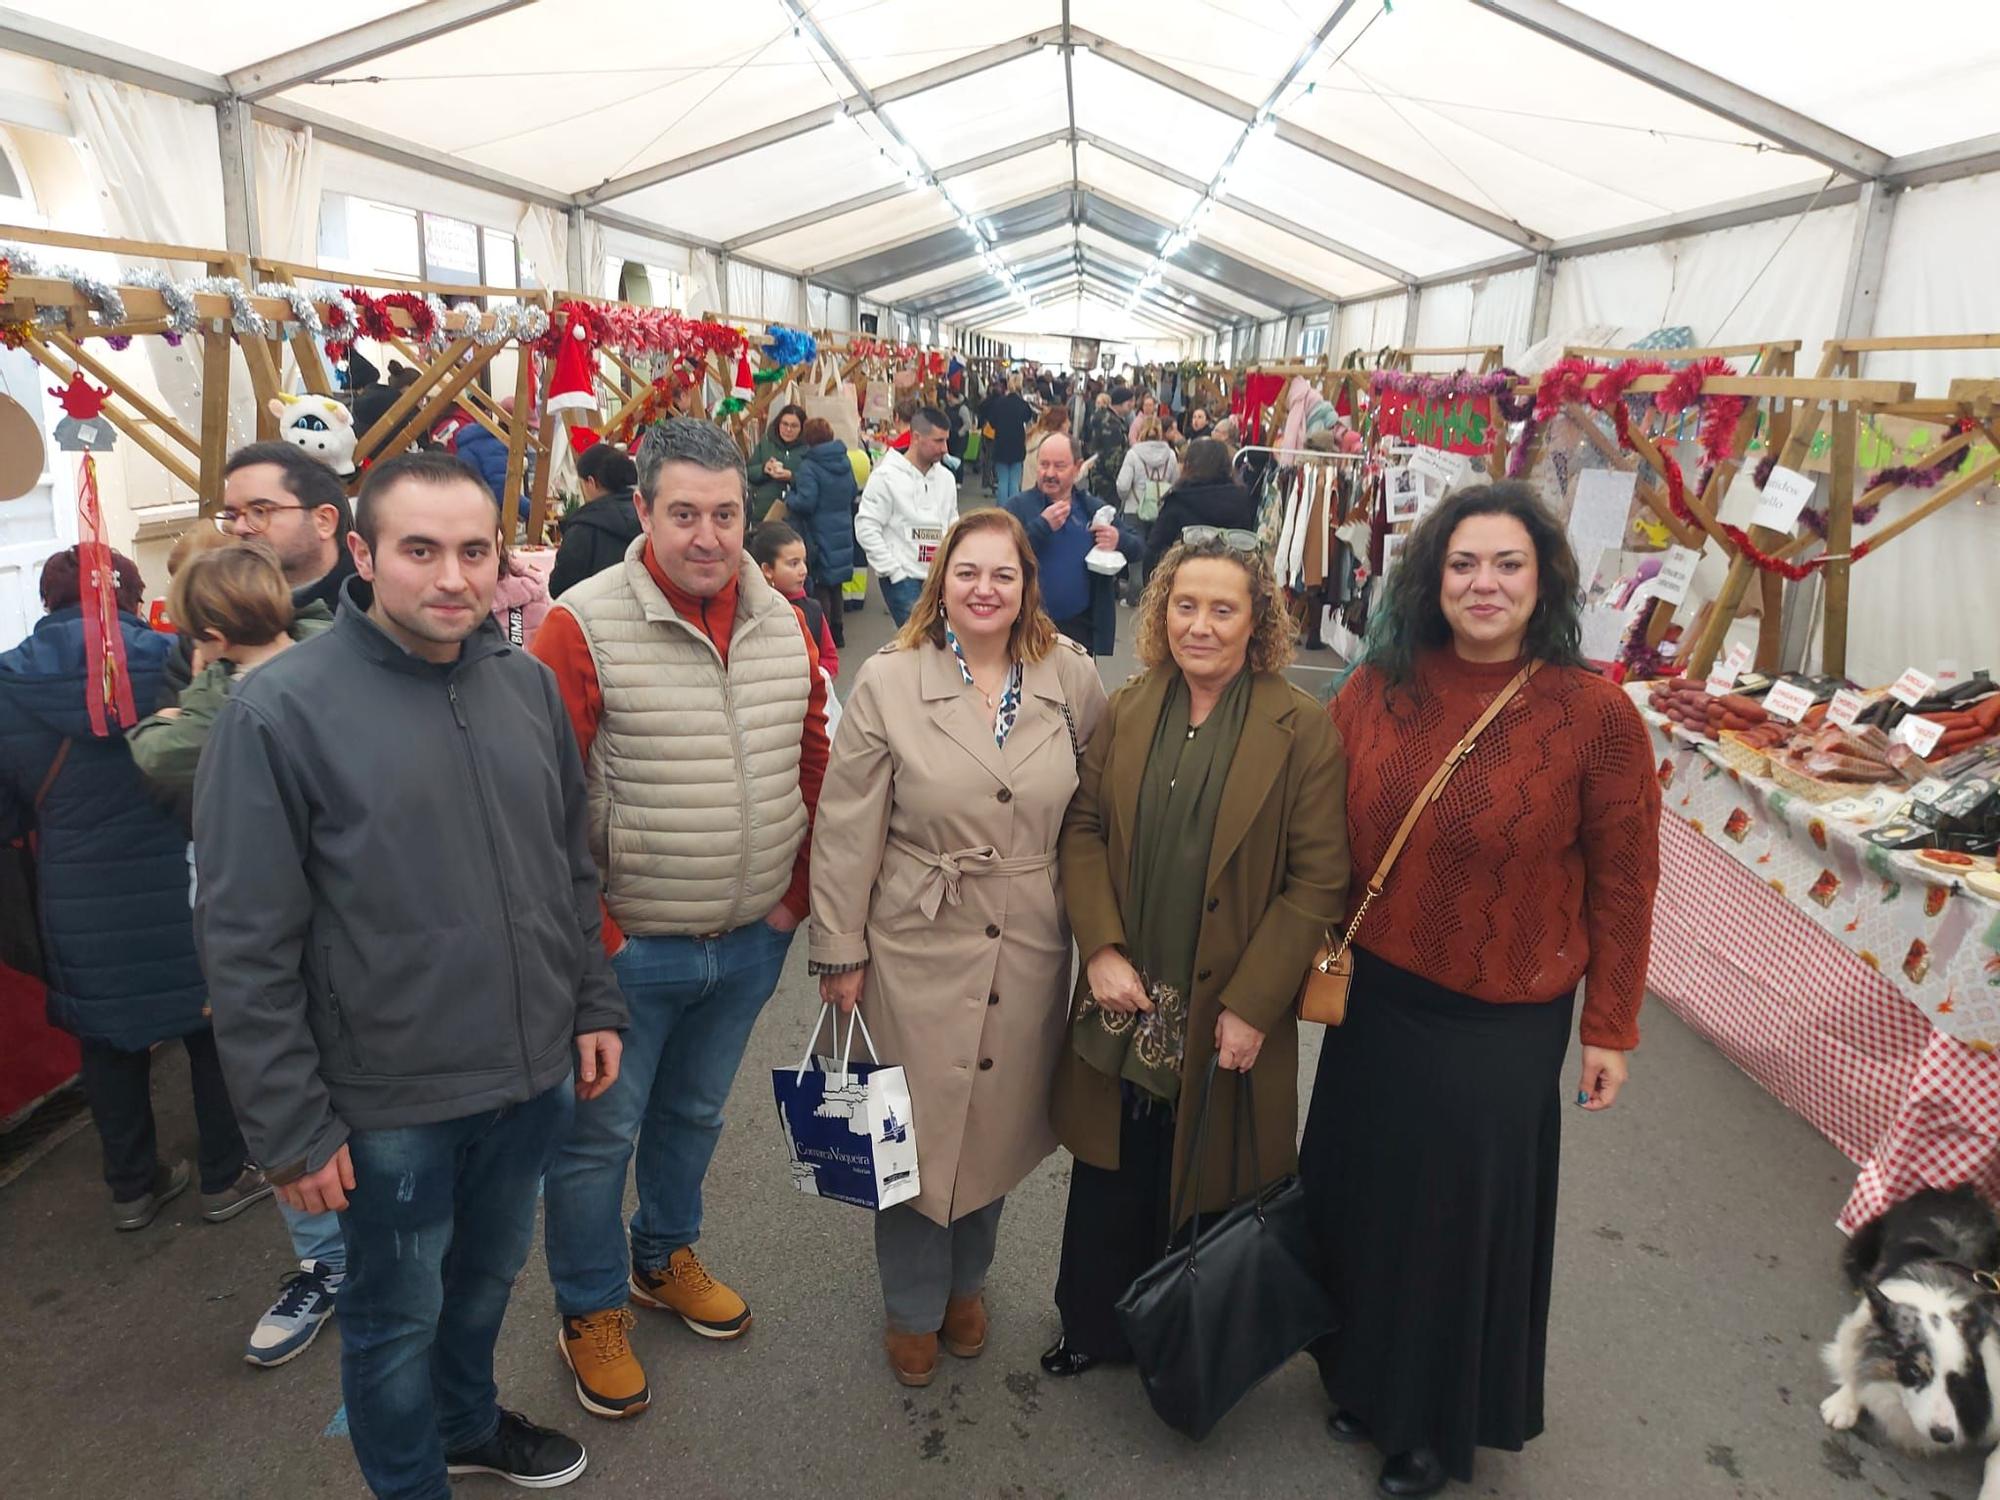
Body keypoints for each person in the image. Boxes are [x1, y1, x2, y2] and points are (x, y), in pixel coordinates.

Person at [196, 451, 624, 1497]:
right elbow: (244, 941)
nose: (452, 578)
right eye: (419, 550)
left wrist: (592, 998)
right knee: (395, 1318)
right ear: (361, 553)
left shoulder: (520, 686)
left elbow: (566, 864)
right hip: (387, 1101)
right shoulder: (278, 713)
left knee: (481, 1285)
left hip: (524, 1076)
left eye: (474, 551)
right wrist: (291, 1124)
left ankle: (466, 1423)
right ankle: (407, 1480)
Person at [1302, 483, 1661, 1498]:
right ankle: (1359, 1369)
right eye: (1462, 564)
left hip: (1498, 1013)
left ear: (1541, 578)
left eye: (1505, 564)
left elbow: (1626, 882)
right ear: (1432, 578)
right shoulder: (1379, 684)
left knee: (1453, 1220)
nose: (1482, 583)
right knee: (1365, 1190)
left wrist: (1610, 1026)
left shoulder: (1592, 715)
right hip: (1375, 994)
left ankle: (1427, 1422)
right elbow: (1314, 810)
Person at [533, 418, 830, 1423]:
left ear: (749, 512)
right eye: (683, 514)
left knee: (694, 1114)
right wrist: (598, 946)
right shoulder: (577, 625)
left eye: (726, 513)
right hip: (629, 953)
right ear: (644, 512)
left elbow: (811, 759)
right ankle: (586, 1308)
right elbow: (543, 808)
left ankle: (660, 1257)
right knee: (593, 1140)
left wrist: (790, 899)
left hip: (748, 940)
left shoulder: (783, 618)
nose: (707, 536)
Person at [808, 510, 1107, 1386]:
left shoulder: (1071, 677)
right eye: (967, 572)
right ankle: (910, 1304)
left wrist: (1107, 939)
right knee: (909, 1127)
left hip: (1029, 936)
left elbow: (1093, 815)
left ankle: (966, 1286)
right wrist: (840, 949)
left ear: (1026, 586)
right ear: (941, 581)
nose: (985, 589)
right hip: (914, 935)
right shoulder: (891, 681)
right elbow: (847, 824)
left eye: (1003, 574)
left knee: (1000, 1121)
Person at [1043, 531, 1349, 1378]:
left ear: (1259, 623)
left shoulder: (1302, 730)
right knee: (1114, 1162)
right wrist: (1099, 947)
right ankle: (1093, 1325)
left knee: (1206, 1166)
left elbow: (1318, 880)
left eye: (1224, 609)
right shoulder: (1133, 704)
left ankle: (1180, 1340)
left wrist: (1254, 1004)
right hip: (1129, 994)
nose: (1201, 625)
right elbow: (1085, 828)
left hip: (1227, 1004)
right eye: (1185, 606)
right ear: (1162, 612)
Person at [0, 546, 265, 1232]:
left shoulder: (9, 684)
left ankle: (132, 1187)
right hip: (179, 867)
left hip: (76, 885)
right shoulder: (179, 659)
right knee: (209, 1025)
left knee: (106, 1037)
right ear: (131, 594)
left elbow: (9, 812)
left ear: (49, 600)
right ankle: (224, 1172)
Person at [126, 541, 345, 1368]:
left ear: (208, 632)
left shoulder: (239, 701)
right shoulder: (322, 659)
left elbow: (157, 750)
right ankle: (333, 1257)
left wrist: (195, 700)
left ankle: (330, 1259)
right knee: (297, 1072)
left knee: (281, 1070)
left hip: (290, 922)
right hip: (285, 918)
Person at [1002, 434, 1142, 657]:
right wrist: (1042, 527)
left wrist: (1118, 539)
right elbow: (999, 555)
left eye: (1059, 466)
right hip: (1027, 627)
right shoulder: (1018, 507)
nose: (1049, 473)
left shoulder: (1091, 509)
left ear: (1077, 468)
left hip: (1079, 632)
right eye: (1044, 464)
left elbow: (1139, 547)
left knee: (1075, 692)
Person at [216, 441, 358, 620]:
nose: (239, 528)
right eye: (232, 515)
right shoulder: (218, 606)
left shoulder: (374, 613)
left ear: (324, 521)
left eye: (259, 511)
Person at [855, 406, 960, 628]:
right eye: (938, 441)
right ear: (916, 437)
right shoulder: (885, 477)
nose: (945, 449)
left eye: (946, 440)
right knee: (920, 643)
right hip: (904, 579)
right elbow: (866, 526)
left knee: (942, 642)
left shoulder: (946, 478)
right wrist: (892, 571)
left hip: (940, 577)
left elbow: (952, 522)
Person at [782, 417, 859, 651]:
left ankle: (822, 635)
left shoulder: (809, 466)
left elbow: (806, 502)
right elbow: (853, 489)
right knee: (835, 583)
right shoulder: (842, 459)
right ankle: (838, 630)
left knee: (822, 582)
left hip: (818, 529)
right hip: (842, 525)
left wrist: (789, 498)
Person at [1143, 437, 1256, 574]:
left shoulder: (1177, 501)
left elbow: (1154, 551)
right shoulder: (1241, 501)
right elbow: (1246, 547)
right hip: (1227, 578)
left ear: (1189, 464)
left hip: (1185, 578)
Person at [550, 444, 642, 599]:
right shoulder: (649, 516)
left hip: (595, 616)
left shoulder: (583, 528)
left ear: (591, 482)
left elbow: (559, 587)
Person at [751, 521, 838, 679]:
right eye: (794, 564)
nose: (803, 570)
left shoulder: (812, 609)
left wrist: (817, 677)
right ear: (767, 570)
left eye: (804, 561)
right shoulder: (750, 611)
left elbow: (830, 658)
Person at [748, 403, 809, 524]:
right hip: (763, 513)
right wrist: (764, 469)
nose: (788, 429)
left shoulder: (807, 448)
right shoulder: (766, 442)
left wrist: (792, 477)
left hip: (795, 517)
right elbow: (748, 471)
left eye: (794, 426)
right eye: (785, 424)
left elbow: (813, 480)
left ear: (802, 428)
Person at [1116, 416, 1180, 524]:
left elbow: (1123, 486)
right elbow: (1175, 484)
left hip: (1134, 510)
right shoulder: (1171, 455)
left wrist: (1125, 498)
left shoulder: (1133, 454)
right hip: (1160, 511)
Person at [986, 376, 1036, 503]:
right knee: (1014, 482)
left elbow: (992, 423)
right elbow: (1029, 419)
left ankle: (1002, 510)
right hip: (1017, 445)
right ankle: (1013, 509)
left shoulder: (999, 403)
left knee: (1002, 481)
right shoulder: (1023, 405)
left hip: (1001, 445)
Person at [1086, 385, 1134, 512]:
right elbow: (1113, 459)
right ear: (1122, 402)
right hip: (1107, 483)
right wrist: (1122, 479)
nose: (1132, 405)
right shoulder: (1112, 425)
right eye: (1129, 402)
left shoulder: (1105, 418)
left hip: (1098, 478)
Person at [1023, 403, 1069, 473]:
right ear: (1060, 425)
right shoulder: (1051, 446)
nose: (1069, 424)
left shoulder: (1036, 438)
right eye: (1067, 421)